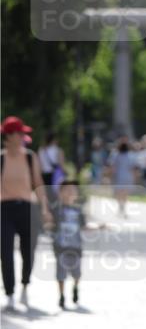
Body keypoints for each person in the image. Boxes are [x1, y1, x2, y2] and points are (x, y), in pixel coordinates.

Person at [1, 116, 50, 310]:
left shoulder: (30, 156)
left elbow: (38, 184)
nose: (23, 136)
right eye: (20, 133)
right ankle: (10, 294)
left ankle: (25, 287)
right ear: (10, 135)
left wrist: (45, 209)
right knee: (5, 252)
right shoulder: (1, 158)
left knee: (28, 251)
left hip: (27, 209)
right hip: (4, 209)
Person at [50, 180, 92, 309]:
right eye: (67, 190)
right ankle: (62, 296)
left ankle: (75, 287)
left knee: (77, 273)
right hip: (61, 247)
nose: (70, 193)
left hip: (76, 247)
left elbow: (85, 227)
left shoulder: (79, 211)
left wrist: (99, 227)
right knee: (60, 274)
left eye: (73, 190)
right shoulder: (55, 209)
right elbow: (50, 225)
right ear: (61, 192)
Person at [106, 139, 135, 217]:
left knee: (118, 193)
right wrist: (134, 177)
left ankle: (120, 206)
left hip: (119, 176)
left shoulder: (115, 155)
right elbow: (132, 168)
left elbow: (112, 167)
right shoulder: (130, 155)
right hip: (128, 176)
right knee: (125, 193)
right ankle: (123, 207)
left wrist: (109, 176)